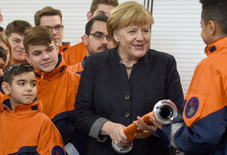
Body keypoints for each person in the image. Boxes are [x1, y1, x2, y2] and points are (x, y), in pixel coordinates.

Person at [74, 1, 184, 155]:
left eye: (145, 30)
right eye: (132, 31)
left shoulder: (165, 63)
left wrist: (156, 130)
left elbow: (178, 114)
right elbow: (81, 114)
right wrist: (109, 128)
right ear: (115, 35)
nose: (141, 37)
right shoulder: (95, 63)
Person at [147, 0, 227, 154]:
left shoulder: (213, 66)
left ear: (211, 27)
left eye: (200, 26)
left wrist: (163, 127)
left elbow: (203, 136)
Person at [24, 26, 85, 154]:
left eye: (49, 49)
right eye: (37, 53)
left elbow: (86, 127)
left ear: (57, 48)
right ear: (27, 57)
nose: (45, 56)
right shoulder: (19, 88)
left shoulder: (78, 82)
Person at [0, 61, 65, 155]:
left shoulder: (43, 123)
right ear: (6, 88)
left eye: (33, 84)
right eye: (22, 83)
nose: (29, 88)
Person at [63, 0, 118, 66]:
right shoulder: (69, 54)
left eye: (111, 16)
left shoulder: (122, 54)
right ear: (89, 16)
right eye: (101, 14)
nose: (106, 18)